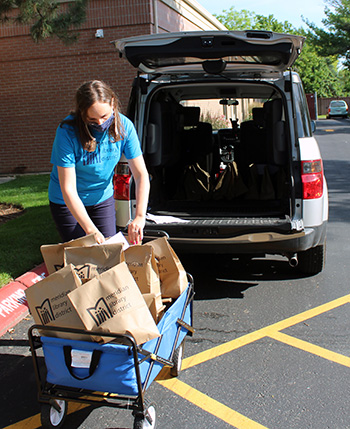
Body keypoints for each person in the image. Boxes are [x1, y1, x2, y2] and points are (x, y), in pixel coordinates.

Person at [48, 80, 149, 245]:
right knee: (83, 253)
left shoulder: (125, 127)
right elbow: (68, 189)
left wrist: (139, 216)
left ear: (113, 104)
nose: (100, 124)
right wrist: (90, 229)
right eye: (92, 120)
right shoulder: (67, 131)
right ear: (82, 114)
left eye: (104, 116)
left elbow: (140, 175)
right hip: (66, 202)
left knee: (110, 251)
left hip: (102, 198)